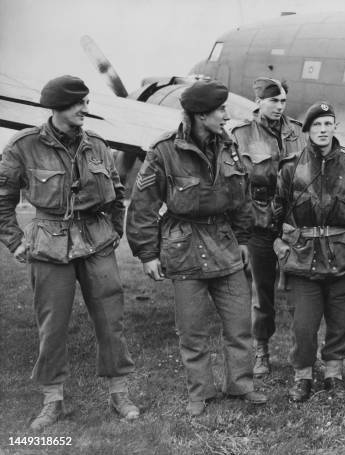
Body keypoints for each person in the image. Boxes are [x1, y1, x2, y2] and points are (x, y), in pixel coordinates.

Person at [0, 75, 139, 430]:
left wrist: (113, 232)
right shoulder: (23, 146)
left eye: (86, 102)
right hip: (49, 244)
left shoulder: (98, 144)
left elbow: (117, 193)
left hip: (96, 241)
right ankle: (52, 400)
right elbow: (2, 200)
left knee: (111, 320)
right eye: (78, 103)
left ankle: (119, 393)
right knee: (53, 324)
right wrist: (15, 241)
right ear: (57, 106)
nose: (85, 109)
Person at [126, 80, 267, 417]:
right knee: (192, 329)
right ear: (201, 115)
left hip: (225, 244)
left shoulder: (229, 146)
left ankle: (241, 384)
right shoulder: (163, 151)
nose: (225, 115)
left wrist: (244, 239)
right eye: (220, 110)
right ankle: (200, 391)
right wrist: (147, 254)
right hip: (183, 246)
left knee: (239, 324)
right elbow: (143, 206)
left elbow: (241, 199)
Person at [274, 102, 345, 402]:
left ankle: (334, 374)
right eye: (316, 125)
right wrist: (278, 243)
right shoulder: (290, 167)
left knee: (343, 321)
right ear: (307, 130)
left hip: (341, 254)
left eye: (328, 124)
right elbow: (277, 211)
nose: (322, 130)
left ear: (334, 127)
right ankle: (302, 375)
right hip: (303, 256)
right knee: (304, 324)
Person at [231, 77, 306, 378]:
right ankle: (261, 351)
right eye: (273, 100)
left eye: (283, 101)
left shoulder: (299, 133)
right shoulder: (241, 134)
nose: (279, 106)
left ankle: (301, 352)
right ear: (259, 101)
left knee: (299, 290)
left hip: (292, 224)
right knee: (261, 294)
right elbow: (235, 182)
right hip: (259, 223)